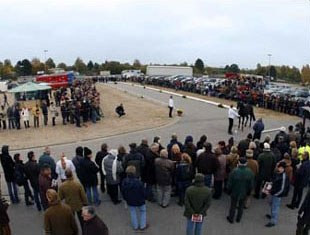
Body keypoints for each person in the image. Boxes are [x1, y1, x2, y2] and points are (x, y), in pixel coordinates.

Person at [226, 158, 254, 224]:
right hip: (244, 191)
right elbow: (251, 184)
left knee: (233, 205)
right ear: (246, 163)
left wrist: (228, 190)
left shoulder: (234, 171)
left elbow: (230, 183)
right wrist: (249, 192)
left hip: (234, 191)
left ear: (238, 163)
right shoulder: (250, 172)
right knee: (241, 206)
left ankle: (231, 218)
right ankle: (238, 218)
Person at [122, 166, 148, 231]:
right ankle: (142, 226)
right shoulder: (139, 182)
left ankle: (135, 226)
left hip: (130, 200)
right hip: (140, 200)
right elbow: (143, 192)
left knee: (132, 212)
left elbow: (123, 191)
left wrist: (125, 198)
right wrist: (145, 197)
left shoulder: (124, 181)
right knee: (143, 211)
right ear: (134, 172)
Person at [265, 161, 290, 227]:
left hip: (277, 195)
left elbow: (282, 189)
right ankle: (272, 216)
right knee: (272, 204)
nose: (280, 169)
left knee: (275, 207)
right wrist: (268, 188)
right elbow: (272, 181)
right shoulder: (277, 173)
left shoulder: (284, 177)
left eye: (281, 168)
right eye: (279, 167)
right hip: (273, 192)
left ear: (284, 168)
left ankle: (273, 221)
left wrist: (274, 193)